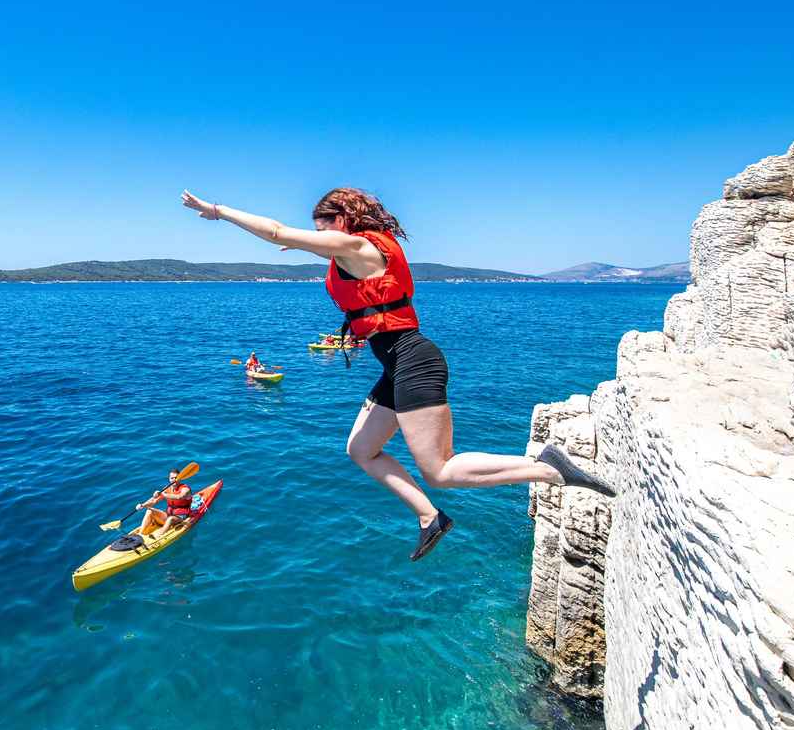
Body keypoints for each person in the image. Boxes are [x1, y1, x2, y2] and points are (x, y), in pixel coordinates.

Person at [181, 186, 616, 561]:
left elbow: (276, 231)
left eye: (321, 228)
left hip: (414, 360)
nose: (316, 237)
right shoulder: (359, 247)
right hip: (395, 363)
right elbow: (314, 252)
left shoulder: (361, 248)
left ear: (345, 220)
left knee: (440, 471)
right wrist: (308, 244)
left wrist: (219, 212)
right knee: (361, 449)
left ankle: (547, 467)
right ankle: (430, 517)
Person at [138, 468, 196, 538]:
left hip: (181, 517)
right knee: (149, 511)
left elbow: (180, 497)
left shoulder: (185, 489)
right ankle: (140, 534)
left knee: (170, 519)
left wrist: (163, 494)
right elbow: (154, 501)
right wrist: (143, 505)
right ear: (169, 479)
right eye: (172, 478)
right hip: (167, 515)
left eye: (176, 478)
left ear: (180, 478)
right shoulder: (166, 489)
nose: (174, 480)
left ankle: (157, 536)